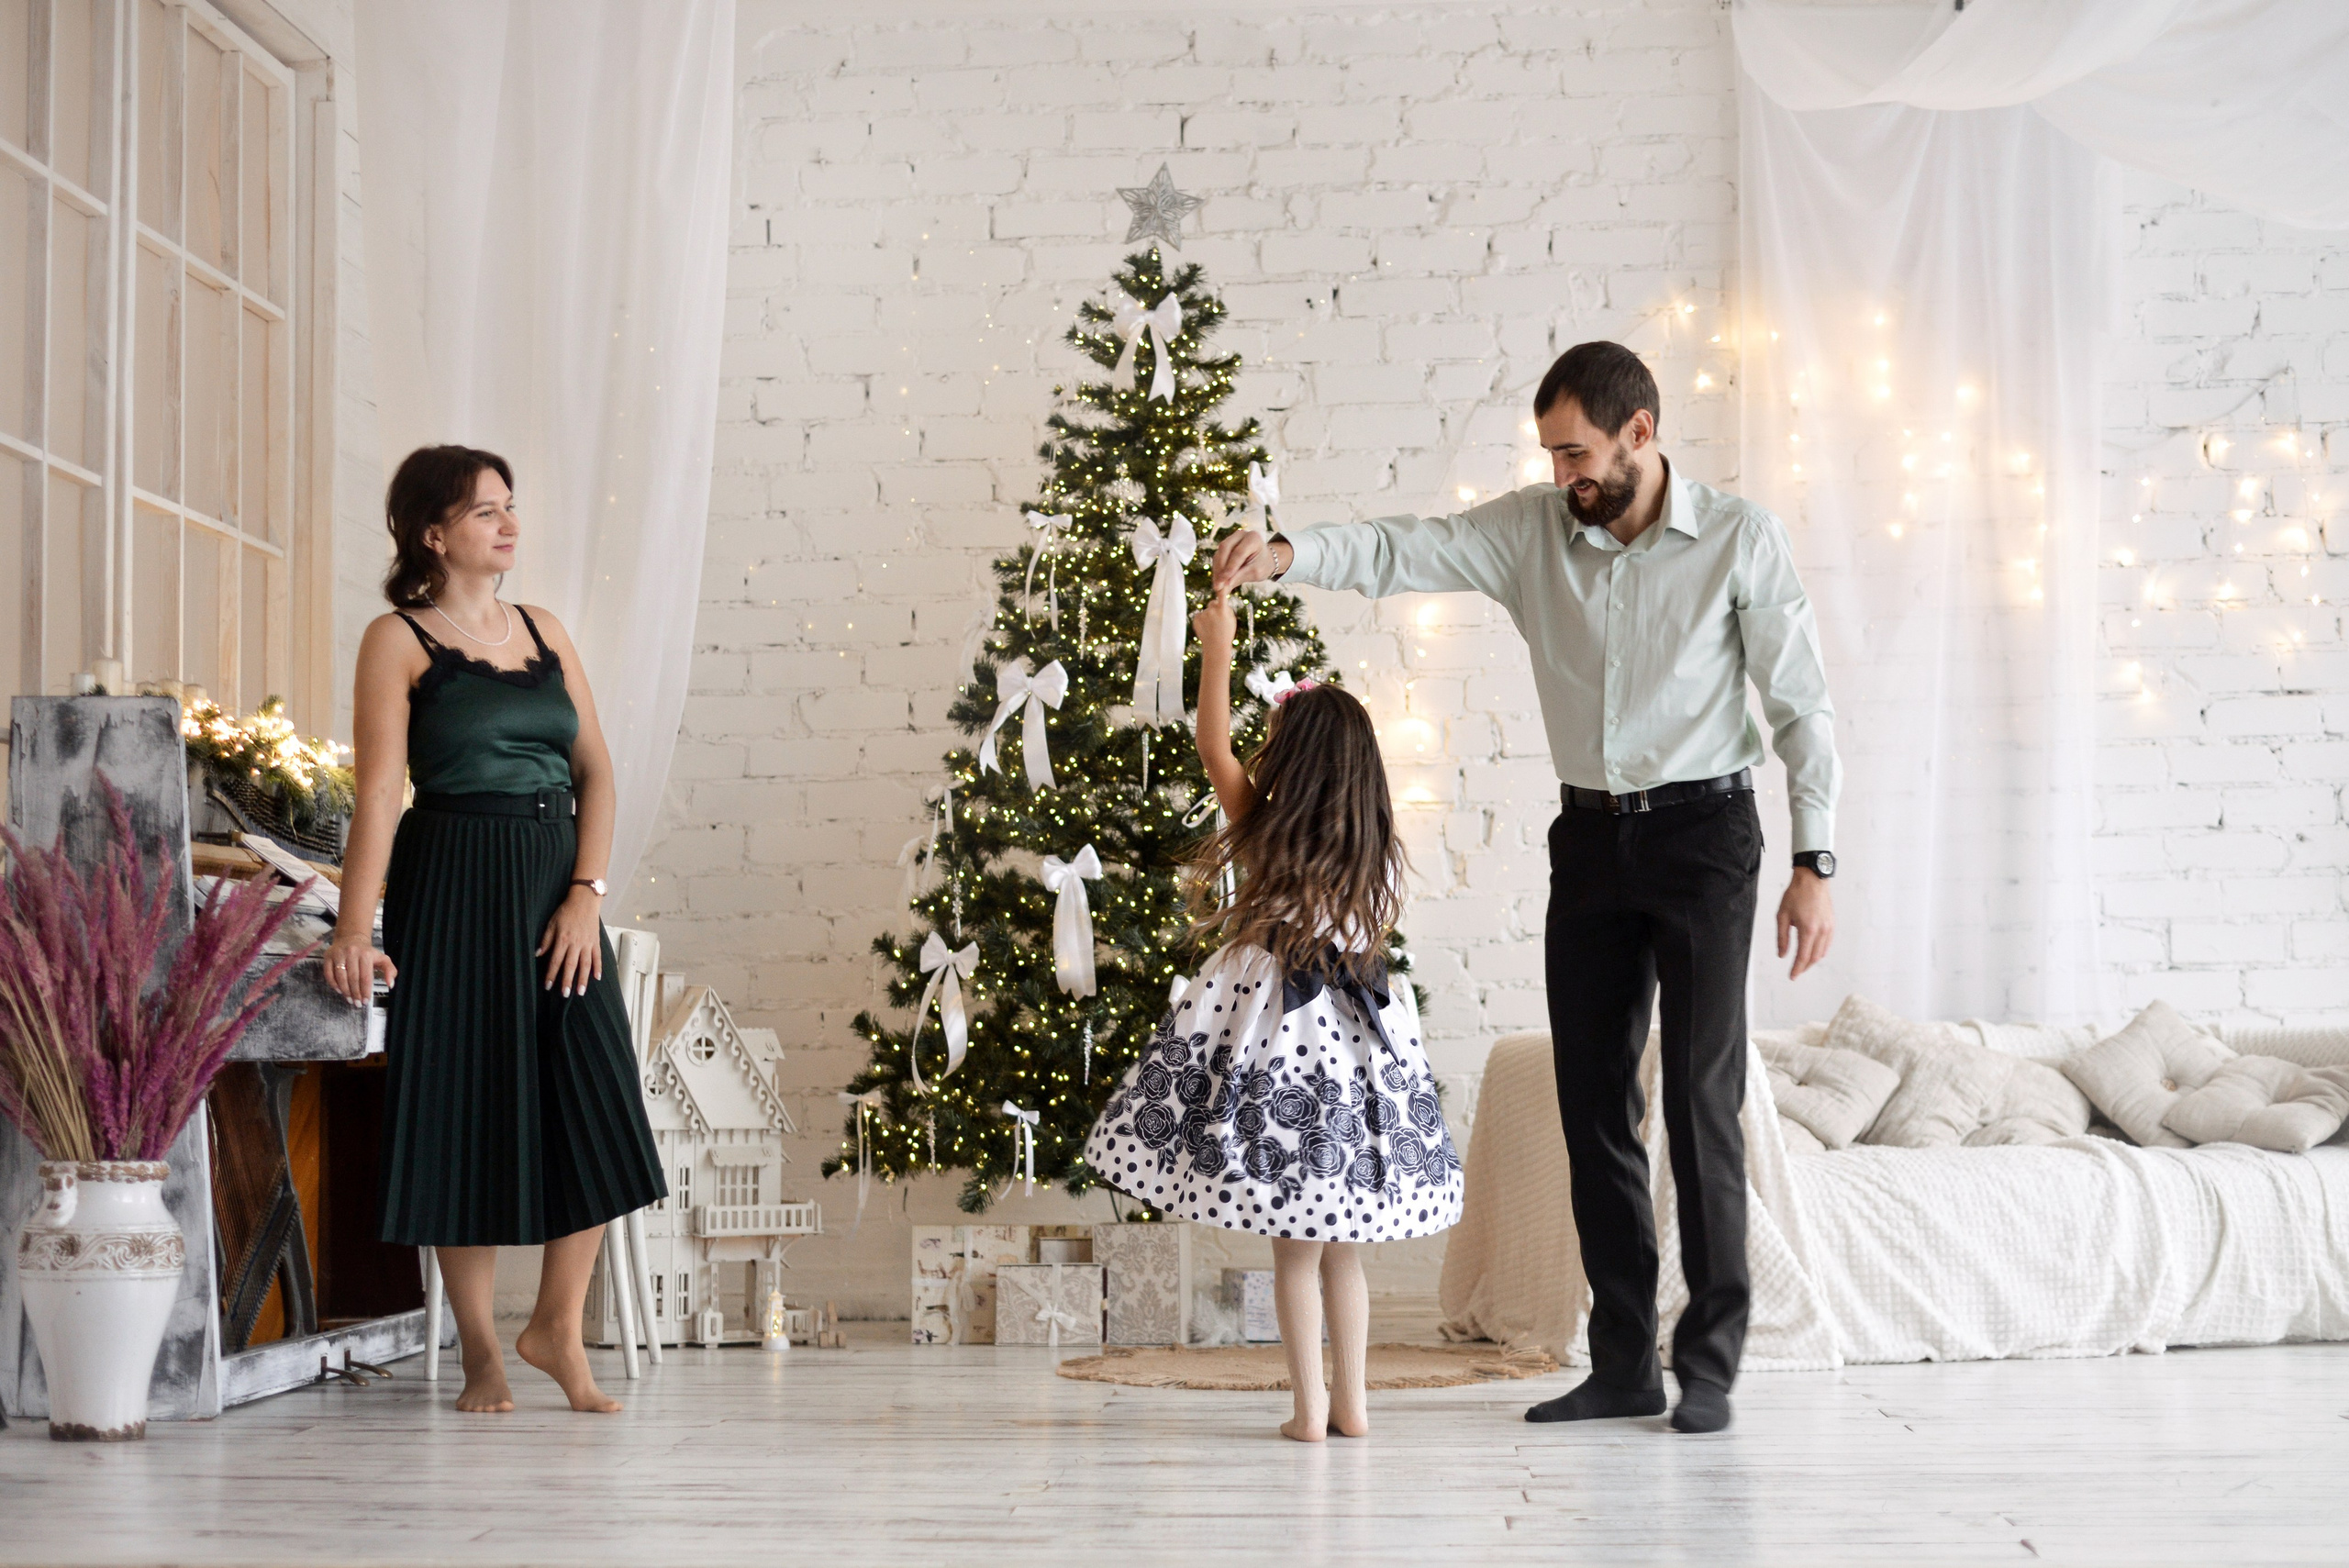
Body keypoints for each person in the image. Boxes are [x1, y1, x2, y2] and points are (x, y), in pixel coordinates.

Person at [1212, 341, 1839, 1435]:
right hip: (1590, 838)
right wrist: (1289, 552)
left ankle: (1706, 1364)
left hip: (1706, 836)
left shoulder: (1741, 539)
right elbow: (1409, 548)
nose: (1563, 476)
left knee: (1698, 1100)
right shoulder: (1533, 532)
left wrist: (1813, 860)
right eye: (1551, 455)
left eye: (1578, 453)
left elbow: (1801, 705)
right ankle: (1622, 1365)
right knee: (1591, 1099)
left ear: (1640, 434)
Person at [323, 445, 666, 1415]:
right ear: (434, 533)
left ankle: (555, 1323)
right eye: (485, 512)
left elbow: (595, 768)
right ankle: (481, 1350)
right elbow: (382, 789)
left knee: (600, 1096)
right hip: (452, 880)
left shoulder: (545, 628)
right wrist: (355, 925)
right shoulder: (395, 639)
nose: (508, 525)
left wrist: (588, 893)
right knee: (462, 1106)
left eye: (509, 507)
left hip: (554, 879)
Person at [1083, 586, 1463, 1442]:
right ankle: (1355, 1406)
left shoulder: (1263, 826)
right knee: (1344, 1252)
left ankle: (1309, 1411)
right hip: (1360, 1044)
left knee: (1294, 1246)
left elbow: (1211, 741)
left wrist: (1216, 644)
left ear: (1290, 765)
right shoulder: (1378, 856)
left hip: (1279, 1039)